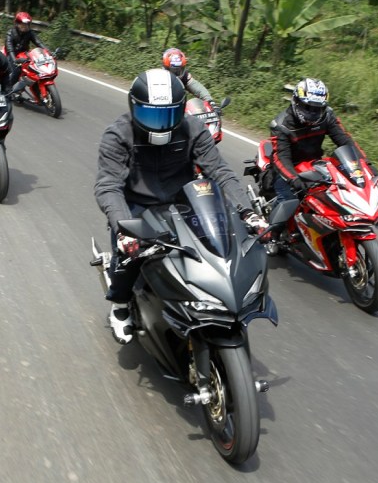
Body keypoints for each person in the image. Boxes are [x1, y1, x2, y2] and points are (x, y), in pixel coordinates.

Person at [94, 68, 267, 343]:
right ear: (134, 107)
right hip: (138, 204)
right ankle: (120, 306)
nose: (160, 124)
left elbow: (220, 171)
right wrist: (124, 228)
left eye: (169, 115)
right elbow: (108, 186)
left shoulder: (193, 128)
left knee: (221, 244)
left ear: (180, 110)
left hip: (185, 201)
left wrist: (249, 212)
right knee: (130, 254)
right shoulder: (118, 134)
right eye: (152, 115)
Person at [266, 77, 368, 203]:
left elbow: (345, 141)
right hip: (288, 169)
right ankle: (270, 222)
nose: (313, 113)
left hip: (314, 166)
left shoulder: (327, 116)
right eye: (308, 107)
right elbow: (281, 158)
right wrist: (294, 179)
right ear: (296, 101)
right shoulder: (281, 125)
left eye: (317, 108)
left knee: (338, 195)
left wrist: (365, 165)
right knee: (288, 201)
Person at [4, 11, 46, 92]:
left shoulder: (30, 33)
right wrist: (15, 60)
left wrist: (48, 51)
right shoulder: (10, 33)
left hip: (24, 55)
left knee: (36, 69)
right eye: (23, 24)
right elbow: (10, 48)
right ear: (17, 23)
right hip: (13, 55)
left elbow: (38, 42)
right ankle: (8, 88)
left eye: (27, 24)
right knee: (17, 70)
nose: (25, 26)